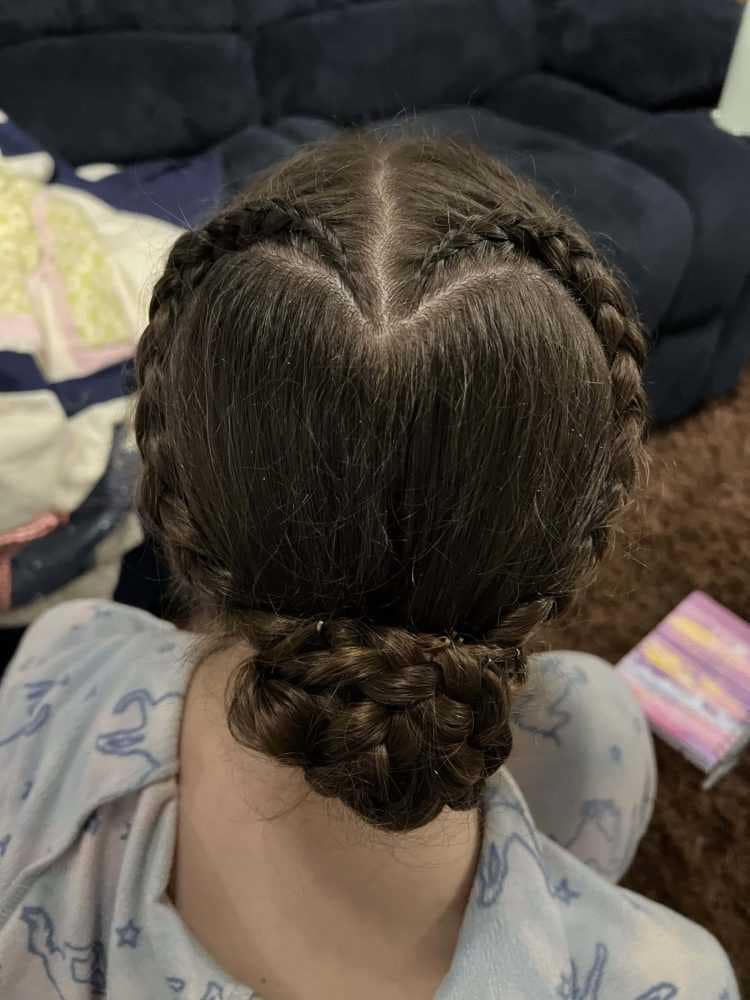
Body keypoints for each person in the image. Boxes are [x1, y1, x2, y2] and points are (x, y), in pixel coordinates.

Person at [0, 135, 738, 1000]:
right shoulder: (674, 980)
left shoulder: (67, 658)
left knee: (590, 713)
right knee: (594, 722)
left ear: (170, 492)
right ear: (584, 528)